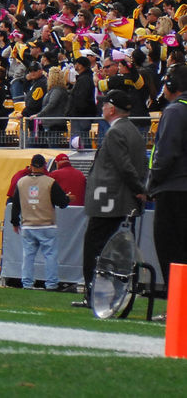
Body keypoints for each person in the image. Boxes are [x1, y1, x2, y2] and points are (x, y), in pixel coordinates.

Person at [76, 89, 147, 307]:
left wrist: (138, 189)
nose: (102, 107)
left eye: (105, 104)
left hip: (109, 201)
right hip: (121, 201)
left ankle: (93, 295)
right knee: (114, 249)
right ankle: (109, 296)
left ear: (112, 108)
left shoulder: (116, 132)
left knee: (95, 247)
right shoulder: (133, 131)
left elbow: (123, 166)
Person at [148, 67, 187, 292]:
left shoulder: (174, 112)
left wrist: (152, 183)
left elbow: (165, 154)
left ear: (172, 87)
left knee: (171, 250)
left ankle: (177, 307)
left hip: (173, 190)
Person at [8, 153, 70, 291]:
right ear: (44, 166)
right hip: (47, 224)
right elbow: (62, 202)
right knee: (50, 255)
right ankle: (51, 283)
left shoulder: (21, 182)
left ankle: (27, 283)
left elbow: (15, 204)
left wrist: (14, 222)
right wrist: (68, 198)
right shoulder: (50, 182)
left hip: (28, 225)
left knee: (28, 256)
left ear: (31, 166)